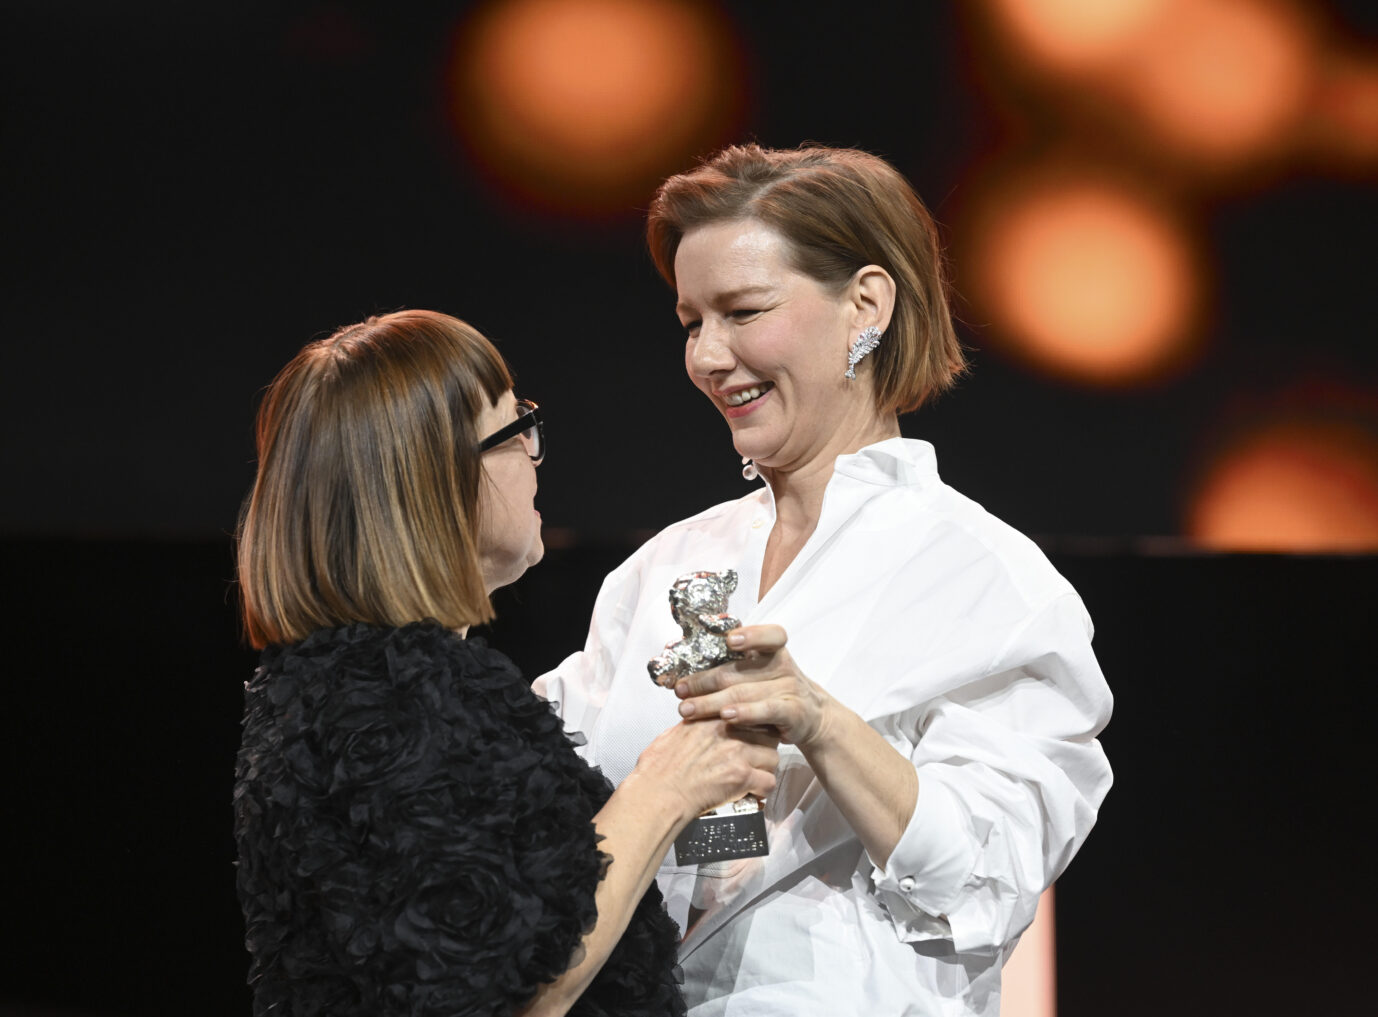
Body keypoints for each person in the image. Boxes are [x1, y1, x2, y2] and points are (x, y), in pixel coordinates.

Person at [534, 145, 1114, 1016]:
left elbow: (982, 886)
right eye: (692, 321)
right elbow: (549, 805)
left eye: (744, 310)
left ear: (867, 306)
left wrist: (819, 721)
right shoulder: (660, 571)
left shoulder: (989, 583)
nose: (708, 356)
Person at [232, 309, 778, 1017]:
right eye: (513, 427)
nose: (534, 453)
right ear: (435, 480)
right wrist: (666, 787)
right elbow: (508, 987)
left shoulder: (369, 687)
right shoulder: (386, 703)